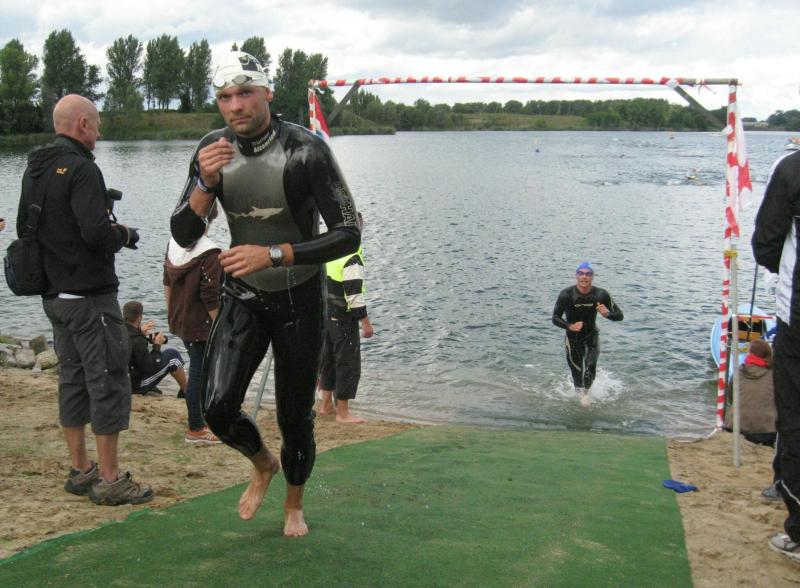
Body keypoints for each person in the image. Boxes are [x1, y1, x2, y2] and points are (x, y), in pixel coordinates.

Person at [169, 51, 360, 536]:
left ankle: (293, 505)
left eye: (245, 92)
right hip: (244, 295)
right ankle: (262, 463)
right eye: (225, 96)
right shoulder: (211, 150)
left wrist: (275, 254)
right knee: (216, 408)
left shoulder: (306, 150)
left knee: (295, 418)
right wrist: (205, 183)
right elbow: (184, 234)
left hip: (300, 296)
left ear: (267, 93)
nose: (236, 105)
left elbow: (348, 233)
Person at [15, 94, 152, 505]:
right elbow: (94, 233)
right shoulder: (82, 168)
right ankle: (110, 479)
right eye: (97, 123)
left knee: (72, 379)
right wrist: (123, 234)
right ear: (82, 124)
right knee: (108, 379)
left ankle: (81, 469)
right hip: (90, 298)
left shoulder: (35, 168)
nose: (100, 130)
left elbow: (25, 227)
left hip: (54, 296)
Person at [752, 145, 800, 561]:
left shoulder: (791, 169)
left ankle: (798, 529)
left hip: (796, 319)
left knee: (794, 417)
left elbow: (766, 244)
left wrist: (777, 272)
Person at [164, 202, 222, 445]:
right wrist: (221, 326)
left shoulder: (173, 245)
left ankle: (200, 419)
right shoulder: (210, 254)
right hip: (201, 322)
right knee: (199, 373)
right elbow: (210, 296)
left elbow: (167, 282)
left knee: (198, 370)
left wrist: (171, 313)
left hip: (182, 317)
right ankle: (196, 427)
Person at [318, 213, 374, 423]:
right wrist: (365, 323)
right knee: (347, 363)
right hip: (343, 318)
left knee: (329, 359)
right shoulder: (352, 257)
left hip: (328, 314)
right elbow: (354, 294)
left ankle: (326, 405)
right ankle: (343, 413)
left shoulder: (332, 251)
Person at [551, 262, 623, 407]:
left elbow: (619, 315)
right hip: (572, 337)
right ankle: (581, 395)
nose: (584, 277)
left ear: (592, 277)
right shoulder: (566, 294)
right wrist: (569, 326)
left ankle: (586, 393)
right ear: (576, 276)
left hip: (592, 335)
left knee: (590, 367)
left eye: (588, 274)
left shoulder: (601, 294)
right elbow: (555, 318)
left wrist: (607, 314)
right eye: (581, 273)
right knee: (576, 369)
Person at [122, 301, 188, 397]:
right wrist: (157, 345)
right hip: (134, 386)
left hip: (122, 381)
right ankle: (187, 392)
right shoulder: (138, 340)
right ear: (139, 317)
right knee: (173, 356)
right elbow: (151, 368)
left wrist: (140, 332)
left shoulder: (119, 331)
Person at [723, 339, 776, 446]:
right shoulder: (775, 374)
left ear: (750, 354)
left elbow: (731, 399)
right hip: (765, 431)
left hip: (735, 426)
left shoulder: (738, 372)